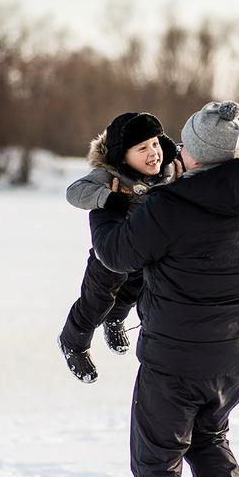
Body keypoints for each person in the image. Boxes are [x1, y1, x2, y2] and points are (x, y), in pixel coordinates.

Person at [87, 100, 239, 477]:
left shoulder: (172, 206)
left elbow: (116, 252)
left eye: (186, 142)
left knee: (156, 461)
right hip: (236, 352)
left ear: (195, 150)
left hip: (175, 358)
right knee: (209, 438)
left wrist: (106, 205)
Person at [58, 112, 182, 384]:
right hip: (109, 255)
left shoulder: (171, 171)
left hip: (144, 253)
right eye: (142, 148)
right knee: (97, 301)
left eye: (155, 144)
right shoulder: (109, 174)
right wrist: (108, 198)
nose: (154, 153)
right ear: (123, 155)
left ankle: (114, 321)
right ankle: (73, 341)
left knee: (132, 293)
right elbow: (74, 192)